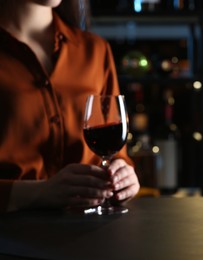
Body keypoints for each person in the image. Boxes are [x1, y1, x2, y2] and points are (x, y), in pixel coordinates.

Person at [0, 0, 140, 213]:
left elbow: (117, 154)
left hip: (93, 233)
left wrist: (124, 177)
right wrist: (39, 193)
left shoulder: (95, 50)